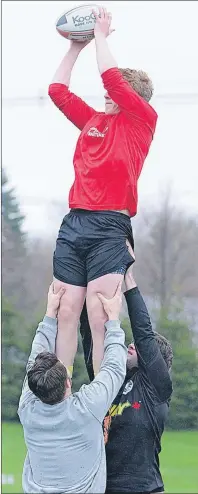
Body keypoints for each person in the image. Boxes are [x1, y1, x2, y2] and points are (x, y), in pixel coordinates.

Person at [48, 6, 158, 377]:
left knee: (98, 314)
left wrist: (101, 36)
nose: (108, 96)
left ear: (134, 99)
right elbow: (57, 90)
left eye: (116, 93)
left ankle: (100, 405)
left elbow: (112, 78)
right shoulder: (94, 121)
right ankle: (60, 399)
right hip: (75, 223)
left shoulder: (141, 121)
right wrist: (76, 47)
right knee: (65, 309)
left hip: (110, 226)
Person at [18, 280, 127, 494]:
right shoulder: (86, 408)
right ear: (69, 382)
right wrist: (113, 320)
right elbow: (114, 368)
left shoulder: (27, 408)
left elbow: (34, 359)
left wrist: (50, 315)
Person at [80, 249, 173, 493]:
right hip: (104, 488)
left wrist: (128, 279)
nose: (131, 344)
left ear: (156, 363)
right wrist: (81, 291)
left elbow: (143, 332)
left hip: (144, 489)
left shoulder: (156, 387)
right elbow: (91, 342)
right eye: (130, 342)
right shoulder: (114, 382)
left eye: (140, 346)